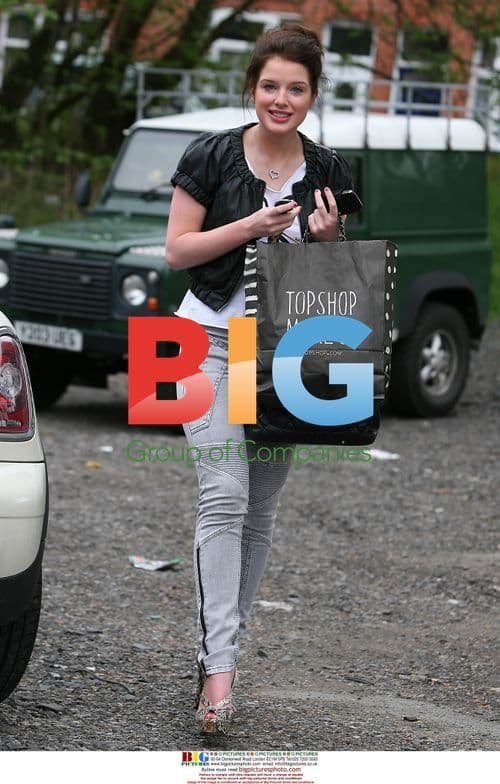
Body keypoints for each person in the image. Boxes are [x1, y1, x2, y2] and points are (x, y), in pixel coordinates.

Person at [165, 23, 353, 735]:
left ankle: (222, 650)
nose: (281, 99)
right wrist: (250, 225)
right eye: (270, 85)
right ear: (252, 86)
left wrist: (329, 245)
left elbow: (340, 288)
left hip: (283, 356)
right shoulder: (210, 155)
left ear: (312, 94)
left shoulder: (331, 169)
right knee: (224, 494)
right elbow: (178, 250)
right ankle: (219, 677)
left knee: (261, 512)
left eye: (296, 88)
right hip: (203, 340)